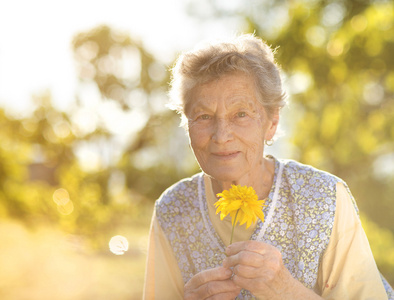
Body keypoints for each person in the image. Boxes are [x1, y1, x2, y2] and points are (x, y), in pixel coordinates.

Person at [143, 34, 393, 299]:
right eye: (204, 116)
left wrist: (286, 290)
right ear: (187, 125)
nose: (221, 135)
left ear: (271, 122)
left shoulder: (324, 198)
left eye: (241, 114)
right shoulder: (173, 210)